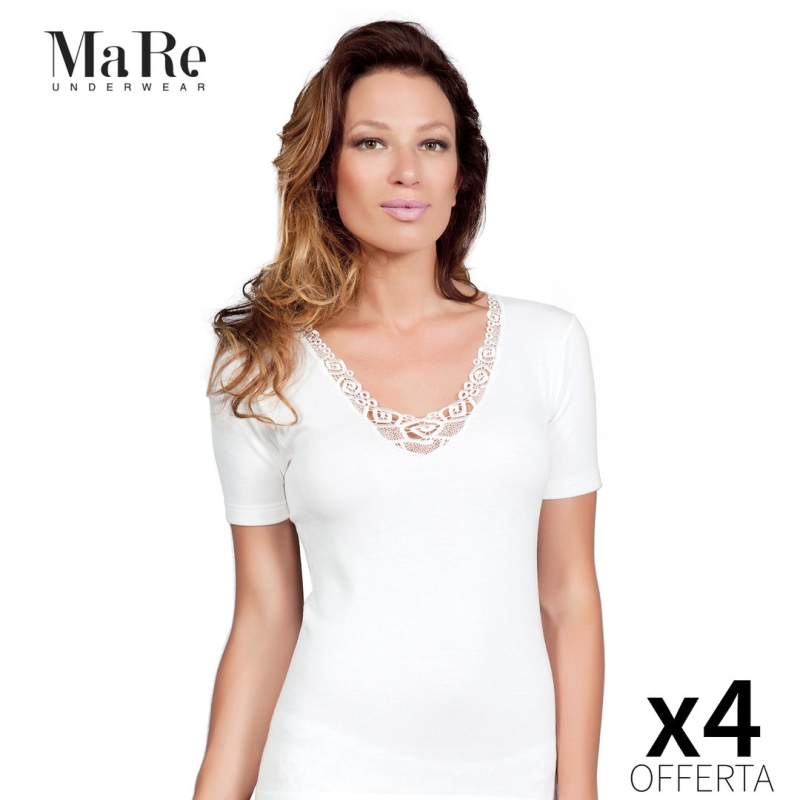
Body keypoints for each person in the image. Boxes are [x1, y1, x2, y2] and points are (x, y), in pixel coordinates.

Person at [193, 20, 603, 800]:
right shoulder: (260, 363)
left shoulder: (549, 345)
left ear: (462, 177)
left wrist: (576, 788)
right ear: (326, 172)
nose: (406, 172)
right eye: (372, 142)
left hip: (513, 772)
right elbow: (265, 617)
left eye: (433, 145)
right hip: (324, 769)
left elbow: (569, 594)